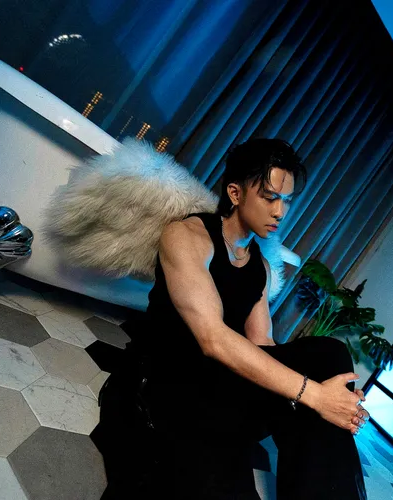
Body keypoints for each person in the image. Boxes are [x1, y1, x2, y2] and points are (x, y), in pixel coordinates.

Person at [93, 138, 370, 499]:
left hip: (221, 384)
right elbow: (212, 338)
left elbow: (262, 343)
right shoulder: (187, 236)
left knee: (329, 356)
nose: (280, 212)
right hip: (169, 381)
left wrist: (333, 398)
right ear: (236, 193)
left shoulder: (261, 266)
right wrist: (314, 395)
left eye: (286, 200)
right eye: (270, 197)